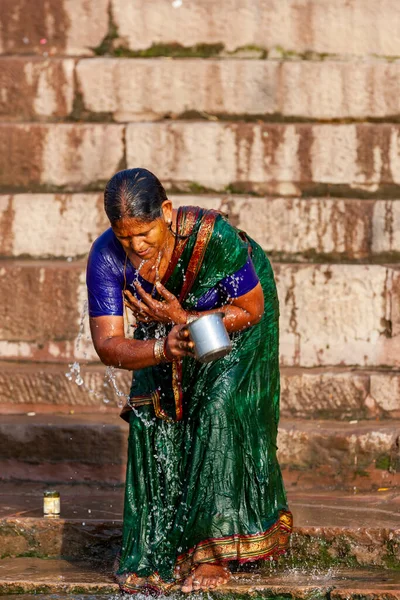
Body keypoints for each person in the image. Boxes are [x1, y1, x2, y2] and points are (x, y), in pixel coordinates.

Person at [86, 168, 292, 594]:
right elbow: (108, 345)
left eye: (145, 233)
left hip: (236, 318)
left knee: (216, 407)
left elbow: (249, 309)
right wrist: (164, 346)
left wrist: (183, 321)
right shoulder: (106, 258)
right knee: (153, 411)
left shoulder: (211, 237)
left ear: (166, 212)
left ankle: (215, 554)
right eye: (125, 237)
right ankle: (159, 548)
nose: (137, 246)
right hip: (168, 331)